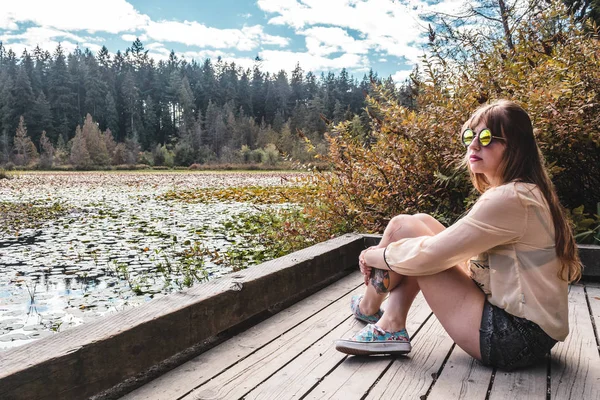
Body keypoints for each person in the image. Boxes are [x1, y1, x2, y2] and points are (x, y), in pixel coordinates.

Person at [335, 100, 581, 371]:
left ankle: (377, 314)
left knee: (418, 251)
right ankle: (377, 314)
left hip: (512, 339)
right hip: (528, 333)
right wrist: (384, 257)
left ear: (515, 147)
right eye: (470, 136)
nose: (473, 145)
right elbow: (441, 249)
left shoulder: (511, 198)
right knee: (409, 224)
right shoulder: (525, 192)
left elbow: (431, 256)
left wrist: (372, 254)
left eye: (486, 137)